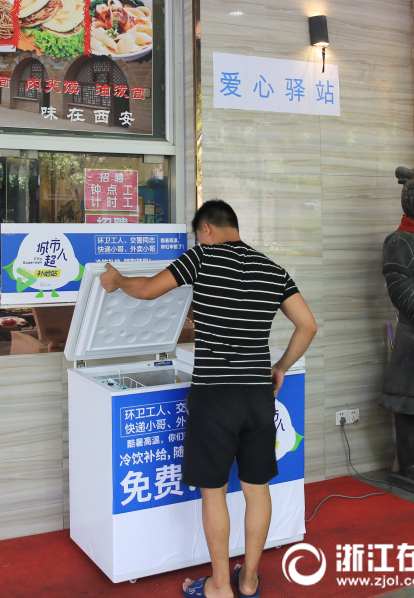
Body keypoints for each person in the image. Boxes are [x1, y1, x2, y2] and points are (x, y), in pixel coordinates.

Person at [99, 200, 317, 598]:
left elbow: (147, 289)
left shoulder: (202, 258)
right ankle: (248, 581)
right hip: (256, 397)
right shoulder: (272, 269)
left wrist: (117, 280)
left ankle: (220, 586)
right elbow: (307, 325)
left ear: (206, 230)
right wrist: (280, 366)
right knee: (257, 490)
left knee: (213, 492)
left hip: (215, 396)